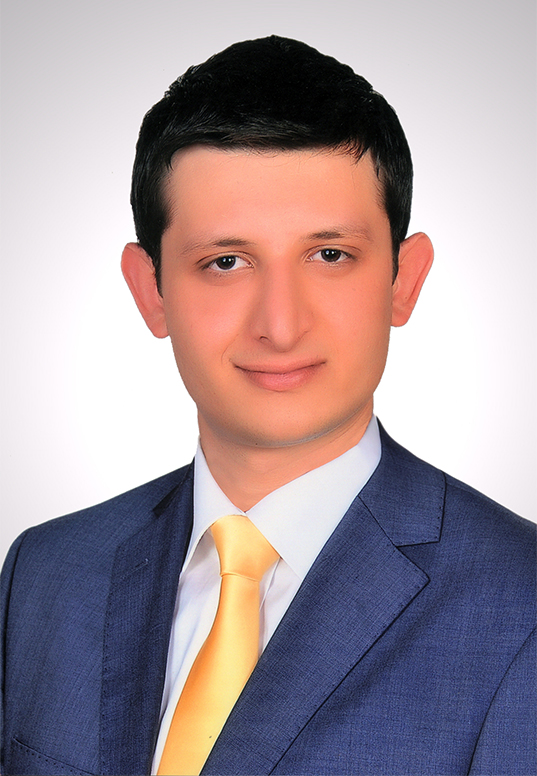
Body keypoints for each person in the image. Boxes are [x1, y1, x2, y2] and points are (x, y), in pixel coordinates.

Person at [1, 35, 535, 776]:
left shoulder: (520, 606)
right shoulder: (45, 574)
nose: (280, 325)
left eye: (329, 255)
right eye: (225, 262)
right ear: (151, 290)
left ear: (403, 280)